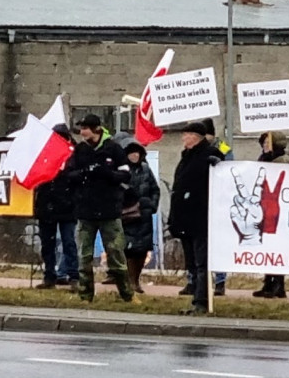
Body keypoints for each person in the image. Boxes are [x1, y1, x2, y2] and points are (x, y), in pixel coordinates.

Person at [65, 114, 137, 304]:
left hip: (109, 211)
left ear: (96, 129)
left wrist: (107, 174)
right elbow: (69, 174)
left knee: (116, 254)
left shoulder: (113, 149)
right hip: (85, 211)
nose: (82, 133)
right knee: (84, 256)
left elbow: (125, 175)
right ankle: (85, 295)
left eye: (85, 129)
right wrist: (85, 173)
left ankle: (127, 295)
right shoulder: (80, 150)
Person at [168, 121, 221, 314]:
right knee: (192, 262)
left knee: (201, 262)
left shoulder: (208, 154)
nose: (183, 138)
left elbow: (222, 159)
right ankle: (196, 297)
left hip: (200, 218)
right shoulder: (187, 156)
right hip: (185, 219)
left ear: (195, 137)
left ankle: (202, 301)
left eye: (186, 134)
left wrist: (218, 159)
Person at [34, 124, 78, 290]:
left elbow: (79, 177)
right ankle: (49, 276)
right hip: (47, 205)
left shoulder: (75, 154)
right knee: (48, 244)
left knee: (68, 242)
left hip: (67, 206)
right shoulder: (44, 153)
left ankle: (73, 276)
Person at [118, 135, 160, 294]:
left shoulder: (146, 169)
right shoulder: (121, 170)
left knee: (141, 250)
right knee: (127, 249)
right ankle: (128, 281)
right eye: (131, 153)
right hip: (127, 216)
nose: (134, 156)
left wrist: (151, 205)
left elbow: (155, 189)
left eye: (137, 153)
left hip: (144, 216)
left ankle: (136, 280)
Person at [252, 131, 289, 299]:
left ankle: (278, 284)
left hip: (278, 211)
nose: (264, 145)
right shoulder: (265, 159)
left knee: (277, 247)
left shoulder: (282, 161)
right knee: (268, 247)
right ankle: (268, 282)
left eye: (268, 142)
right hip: (265, 208)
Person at [202, 118, 232, 296]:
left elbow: (229, 169)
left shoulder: (223, 149)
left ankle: (220, 282)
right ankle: (195, 282)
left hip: (218, 201)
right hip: (201, 200)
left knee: (219, 243)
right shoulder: (195, 149)